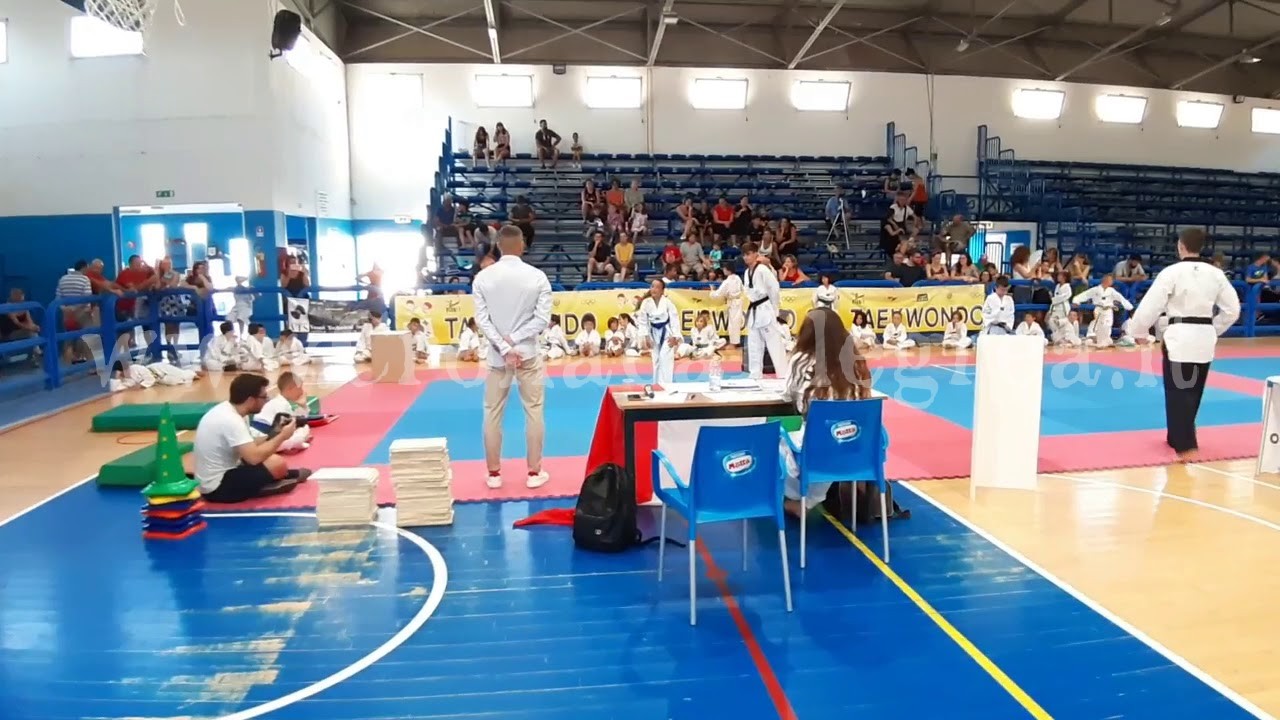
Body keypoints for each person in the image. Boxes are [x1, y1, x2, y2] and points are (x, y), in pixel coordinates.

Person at [1127, 228, 1240, 461]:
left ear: (1181, 246)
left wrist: (1138, 331)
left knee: (1178, 390)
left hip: (1179, 336)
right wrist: (1213, 329)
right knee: (1194, 389)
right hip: (1204, 338)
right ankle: (1176, 436)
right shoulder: (1216, 274)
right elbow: (1233, 310)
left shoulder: (1172, 272)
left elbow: (1151, 305)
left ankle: (1186, 445)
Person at [472, 225, 554, 489]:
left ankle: (494, 474)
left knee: (492, 412)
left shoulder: (483, 278)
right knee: (534, 411)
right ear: (522, 246)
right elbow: (542, 320)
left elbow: (481, 320)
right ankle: (534, 472)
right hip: (527, 352)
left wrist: (503, 345)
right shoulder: (537, 277)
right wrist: (515, 339)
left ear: (498, 246)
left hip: (498, 356)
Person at [781, 307, 874, 516]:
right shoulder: (857, 362)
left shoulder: (801, 359)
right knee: (832, 433)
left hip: (818, 447)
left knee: (777, 439)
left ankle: (800, 500)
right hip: (857, 446)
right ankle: (818, 496)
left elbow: (788, 395)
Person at [195, 374, 311, 504]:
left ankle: (276, 476)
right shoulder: (231, 420)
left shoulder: (232, 411)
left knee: (274, 462)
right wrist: (282, 436)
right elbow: (253, 458)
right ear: (251, 400)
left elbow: (248, 444)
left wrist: (274, 433)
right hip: (217, 488)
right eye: (264, 397)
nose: (267, 400)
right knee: (276, 464)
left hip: (223, 475)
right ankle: (265, 485)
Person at [741, 242, 790, 380]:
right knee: (754, 343)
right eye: (744, 255)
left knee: (774, 342)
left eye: (749, 254)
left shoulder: (762, 269)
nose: (746, 257)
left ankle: (783, 374)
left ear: (756, 254)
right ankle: (755, 374)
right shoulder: (746, 272)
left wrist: (775, 309)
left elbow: (774, 288)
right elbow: (747, 291)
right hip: (754, 310)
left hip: (765, 308)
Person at [250, 371, 312, 453]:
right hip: (261, 437)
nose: (302, 392)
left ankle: (290, 445)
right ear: (290, 388)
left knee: (302, 429)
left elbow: (298, 421)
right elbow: (293, 427)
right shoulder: (281, 404)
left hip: (262, 436)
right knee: (304, 430)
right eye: (300, 388)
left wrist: (303, 405)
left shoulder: (281, 402)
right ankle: (291, 445)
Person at [636, 278, 681, 385]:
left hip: (667, 333)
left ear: (662, 291)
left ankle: (667, 384)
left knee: (665, 358)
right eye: (652, 286)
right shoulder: (646, 303)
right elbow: (642, 321)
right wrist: (645, 336)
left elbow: (674, 319)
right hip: (653, 333)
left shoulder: (667, 303)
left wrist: (675, 336)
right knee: (655, 360)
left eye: (657, 287)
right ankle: (656, 385)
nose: (654, 289)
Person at [1073, 274, 1132, 348]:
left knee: (1107, 325)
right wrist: (1076, 300)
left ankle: (1105, 340)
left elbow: (1120, 298)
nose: (1109, 281)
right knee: (1097, 324)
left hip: (1108, 310)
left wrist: (1129, 307)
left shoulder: (1112, 291)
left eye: (1110, 280)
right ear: (1103, 280)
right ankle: (1094, 338)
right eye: (1107, 279)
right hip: (1099, 309)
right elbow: (1085, 295)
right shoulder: (1095, 290)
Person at [711, 263, 745, 348]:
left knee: (733, 323)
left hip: (733, 302)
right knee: (735, 322)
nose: (723, 270)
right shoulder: (738, 278)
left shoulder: (727, 282)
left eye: (724, 269)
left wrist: (712, 291)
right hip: (738, 301)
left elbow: (717, 294)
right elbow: (743, 289)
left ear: (728, 270)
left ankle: (734, 343)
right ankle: (735, 342)